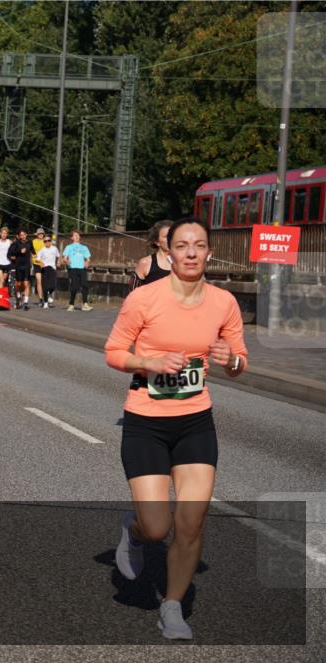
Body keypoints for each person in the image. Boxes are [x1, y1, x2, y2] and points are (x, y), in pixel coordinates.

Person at [105, 217, 247, 640]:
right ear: (167, 253)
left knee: (191, 522)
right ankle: (133, 532)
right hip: (146, 422)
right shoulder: (144, 300)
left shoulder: (224, 303)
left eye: (198, 245)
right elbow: (113, 352)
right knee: (157, 528)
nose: (189, 252)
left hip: (196, 423)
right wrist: (147, 363)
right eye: (181, 245)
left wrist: (231, 360)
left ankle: (171, 607)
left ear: (208, 253)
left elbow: (240, 362)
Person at [132, 219, 173, 290]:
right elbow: (132, 293)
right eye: (167, 237)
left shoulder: (183, 263)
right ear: (157, 242)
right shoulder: (145, 263)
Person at [62, 230, 93, 311]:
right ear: (72, 238)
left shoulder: (84, 247)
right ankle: (71, 304)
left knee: (85, 285)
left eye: (78, 235)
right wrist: (66, 261)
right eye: (75, 235)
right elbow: (64, 258)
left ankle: (85, 304)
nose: (76, 237)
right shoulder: (69, 247)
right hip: (73, 268)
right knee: (74, 286)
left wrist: (87, 262)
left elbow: (88, 259)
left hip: (82, 268)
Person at [8, 229, 34, 310]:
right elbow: (10, 254)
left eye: (24, 234)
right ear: (19, 236)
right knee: (18, 284)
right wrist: (19, 251)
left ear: (26, 234)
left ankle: (26, 303)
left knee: (26, 284)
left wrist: (36, 257)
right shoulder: (16, 244)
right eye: (21, 235)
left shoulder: (29, 242)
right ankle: (18, 298)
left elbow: (33, 252)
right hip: (18, 266)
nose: (23, 236)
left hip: (27, 266)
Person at [36, 235, 60, 309]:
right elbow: (38, 259)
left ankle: (50, 293)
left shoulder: (54, 249)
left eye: (48, 240)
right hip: (45, 269)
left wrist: (59, 262)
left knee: (53, 286)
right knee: (45, 287)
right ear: (44, 242)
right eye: (45, 241)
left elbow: (58, 256)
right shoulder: (42, 250)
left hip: (52, 268)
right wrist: (41, 264)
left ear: (51, 241)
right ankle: (45, 302)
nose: (47, 242)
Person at [31, 227, 47, 305]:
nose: (41, 235)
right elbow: (31, 252)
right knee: (39, 281)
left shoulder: (46, 241)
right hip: (37, 264)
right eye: (39, 234)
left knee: (46, 282)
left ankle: (46, 297)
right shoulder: (33, 242)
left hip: (45, 264)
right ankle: (41, 299)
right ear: (37, 235)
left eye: (42, 233)